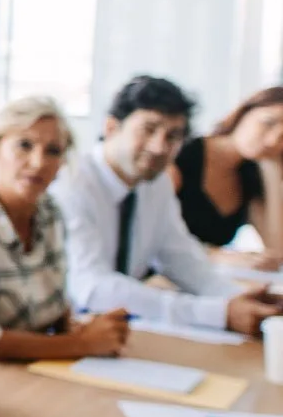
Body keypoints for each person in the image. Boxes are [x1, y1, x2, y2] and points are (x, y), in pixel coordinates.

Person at [55, 75, 283, 334]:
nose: (159, 147)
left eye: (173, 136)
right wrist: (218, 313)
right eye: (149, 130)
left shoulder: (155, 182)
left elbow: (181, 257)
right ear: (111, 128)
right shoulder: (73, 183)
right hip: (64, 330)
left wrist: (235, 298)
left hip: (119, 329)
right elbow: (92, 287)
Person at [0, 96, 130, 363]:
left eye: (53, 151)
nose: (38, 162)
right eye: (24, 146)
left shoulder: (49, 210)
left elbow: (54, 307)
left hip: (18, 369)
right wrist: (81, 343)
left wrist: (78, 328)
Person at [171, 84, 283, 257]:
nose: (272, 141)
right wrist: (219, 256)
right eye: (268, 123)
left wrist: (273, 170)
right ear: (244, 112)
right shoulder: (182, 155)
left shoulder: (250, 177)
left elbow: (277, 250)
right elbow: (153, 238)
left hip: (204, 279)